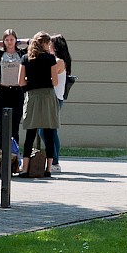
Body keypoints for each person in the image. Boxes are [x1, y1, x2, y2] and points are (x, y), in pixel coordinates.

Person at [18, 31, 65, 175]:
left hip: (32, 96)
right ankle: (49, 169)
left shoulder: (26, 58)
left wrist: (31, 85)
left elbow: (20, 81)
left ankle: (25, 168)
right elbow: (55, 81)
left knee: (30, 133)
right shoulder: (50, 58)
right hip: (47, 96)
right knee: (49, 131)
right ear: (44, 43)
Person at [0, 29, 27, 153]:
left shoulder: (22, 54)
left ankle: (14, 156)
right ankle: (1, 155)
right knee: (1, 126)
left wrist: (20, 42)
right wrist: (0, 43)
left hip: (16, 92)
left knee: (14, 127)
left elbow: (33, 43)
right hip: (1, 92)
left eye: (12, 39)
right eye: (7, 40)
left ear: (16, 40)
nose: (9, 42)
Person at [40, 34, 71, 174]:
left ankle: (55, 161)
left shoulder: (58, 61)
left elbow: (47, 75)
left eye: (49, 43)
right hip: (50, 98)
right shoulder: (54, 60)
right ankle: (53, 159)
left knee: (49, 131)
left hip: (55, 98)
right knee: (47, 130)